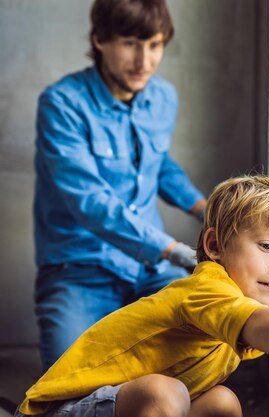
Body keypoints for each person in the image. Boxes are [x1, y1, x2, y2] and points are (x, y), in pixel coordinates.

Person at [16, 175, 269, 417]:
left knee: (222, 403)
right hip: (60, 411)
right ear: (215, 245)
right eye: (266, 247)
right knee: (165, 392)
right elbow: (263, 326)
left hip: (123, 408)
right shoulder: (207, 288)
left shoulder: (236, 304)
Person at [33, 0, 205, 371]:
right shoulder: (61, 104)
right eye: (130, 44)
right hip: (79, 271)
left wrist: (208, 209)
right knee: (64, 390)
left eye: (155, 45)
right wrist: (175, 250)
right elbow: (91, 202)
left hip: (152, 271)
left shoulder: (163, 98)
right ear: (99, 40)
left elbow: (156, 165)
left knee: (201, 353)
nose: (145, 61)